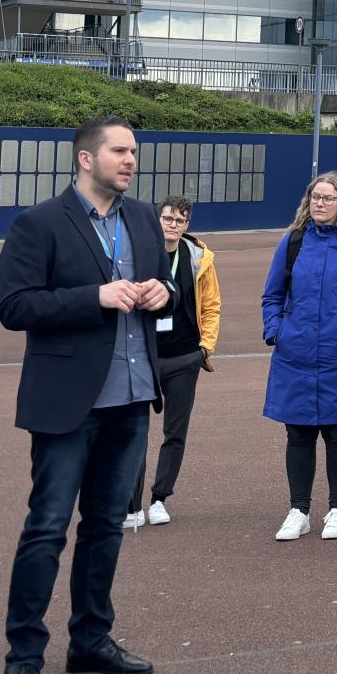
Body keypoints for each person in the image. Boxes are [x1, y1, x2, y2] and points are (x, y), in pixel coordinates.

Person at [0, 116, 174, 674]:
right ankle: (23, 658)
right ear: (85, 159)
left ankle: (90, 639)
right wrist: (93, 298)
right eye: (119, 151)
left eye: (134, 152)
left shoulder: (145, 219)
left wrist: (162, 294)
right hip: (68, 405)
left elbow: (168, 285)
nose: (131, 160)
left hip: (131, 399)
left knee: (105, 529)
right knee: (46, 530)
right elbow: (15, 306)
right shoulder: (39, 223)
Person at [262, 173, 337, 543]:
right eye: (315, 197)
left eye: (328, 198)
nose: (320, 203)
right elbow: (272, 295)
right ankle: (298, 510)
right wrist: (276, 331)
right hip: (294, 353)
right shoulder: (293, 241)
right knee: (297, 433)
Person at [123, 196, 221, 530]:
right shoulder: (140, 254)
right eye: (168, 219)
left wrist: (205, 349)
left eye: (180, 220)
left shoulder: (199, 258)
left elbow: (211, 306)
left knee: (175, 432)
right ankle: (132, 504)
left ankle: (160, 499)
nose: (173, 225)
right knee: (134, 432)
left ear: (187, 225)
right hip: (143, 357)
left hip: (183, 357)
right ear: (157, 220)